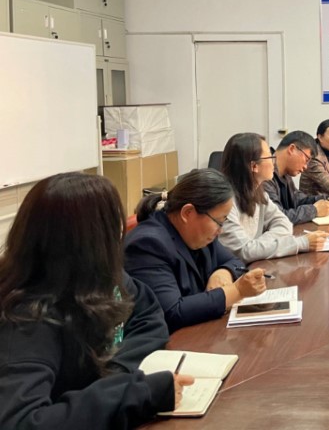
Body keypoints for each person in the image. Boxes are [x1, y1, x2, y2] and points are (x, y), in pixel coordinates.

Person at [0, 172, 193, 429]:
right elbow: (21, 422)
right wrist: (134, 393)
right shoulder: (26, 318)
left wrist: (115, 376)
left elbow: (148, 317)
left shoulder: (101, 277)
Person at [124, 168, 267, 333]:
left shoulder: (199, 233)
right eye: (219, 221)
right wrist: (236, 291)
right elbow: (171, 313)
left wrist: (223, 272)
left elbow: (234, 261)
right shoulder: (148, 244)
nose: (220, 230)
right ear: (188, 213)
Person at [219, 132, 328, 259]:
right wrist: (301, 243)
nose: (274, 161)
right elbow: (244, 252)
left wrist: (258, 246)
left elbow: (284, 223)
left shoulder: (260, 194)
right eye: (270, 157)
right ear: (254, 166)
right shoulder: (224, 203)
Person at [265, 130, 329, 225]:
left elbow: (298, 199)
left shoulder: (285, 173)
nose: (305, 167)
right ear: (292, 149)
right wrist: (314, 210)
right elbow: (277, 217)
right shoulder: (264, 174)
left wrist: (328, 199)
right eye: (306, 160)